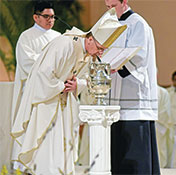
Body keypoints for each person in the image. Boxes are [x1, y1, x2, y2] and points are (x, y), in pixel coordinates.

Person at [10, 8, 126, 175]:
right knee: (48, 151)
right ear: (91, 39)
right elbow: (42, 74)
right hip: (47, 103)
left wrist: (77, 84)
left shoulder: (87, 52)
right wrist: (61, 86)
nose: (101, 53)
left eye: (104, 50)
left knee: (63, 151)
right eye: (100, 48)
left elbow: (85, 79)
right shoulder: (65, 44)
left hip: (64, 106)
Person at [104, 0, 160, 174]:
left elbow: (139, 56)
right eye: (107, 7)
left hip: (134, 101)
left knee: (135, 159)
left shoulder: (138, 24)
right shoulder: (108, 24)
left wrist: (116, 65)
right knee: (119, 158)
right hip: (115, 99)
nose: (110, 11)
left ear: (124, 1)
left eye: (113, 6)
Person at [11, 0, 61, 127]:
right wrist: (51, 65)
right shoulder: (26, 37)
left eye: (53, 17)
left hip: (55, 89)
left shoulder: (59, 37)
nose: (50, 20)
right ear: (36, 17)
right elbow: (28, 62)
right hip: (35, 90)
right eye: (46, 16)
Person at [155, 85, 171, 168]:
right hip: (143, 126)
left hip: (158, 127)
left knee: (159, 151)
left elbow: (166, 111)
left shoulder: (163, 92)